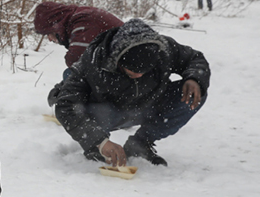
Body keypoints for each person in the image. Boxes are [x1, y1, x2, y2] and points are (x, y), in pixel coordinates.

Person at [53, 18, 209, 167]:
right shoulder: (93, 60)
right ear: (118, 59)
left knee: (195, 94)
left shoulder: (164, 48)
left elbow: (195, 58)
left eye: (145, 71)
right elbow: (65, 106)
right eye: (133, 70)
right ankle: (97, 149)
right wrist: (99, 142)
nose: (140, 75)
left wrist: (194, 78)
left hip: (149, 103)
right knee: (82, 109)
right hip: (108, 112)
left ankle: (140, 144)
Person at [33, 1, 123, 106]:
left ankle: (82, 111)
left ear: (55, 27)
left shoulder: (83, 20)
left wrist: (64, 90)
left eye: (48, 33)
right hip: (122, 67)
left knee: (71, 74)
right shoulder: (81, 16)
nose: (49, 39)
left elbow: (77, 60)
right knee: (74, 74)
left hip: (127, 72)